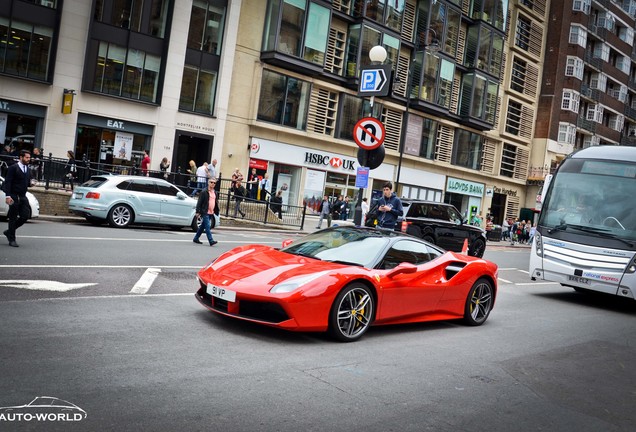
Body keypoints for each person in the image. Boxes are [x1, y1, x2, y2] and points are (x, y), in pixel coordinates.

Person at [3, 150, 32, 247]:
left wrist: (30, 183)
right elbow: (8, 182)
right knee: (12, 217)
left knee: (25, 216)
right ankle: (12, 239)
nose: (29, 159)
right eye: (27, 157)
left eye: (29, 157)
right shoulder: (13, 168)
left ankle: (9, 231)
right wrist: (8, 196)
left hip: (23, 196)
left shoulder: (27, 169)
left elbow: (26, 182)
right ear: (21, 157)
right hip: (14, 196)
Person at [193, 179, 219, 246]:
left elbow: (215, 202)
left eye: (214, 183)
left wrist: (216, 210)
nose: (213, 184)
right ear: (208, 183)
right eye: (211, 182)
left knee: (202, 226)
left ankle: (196, 238)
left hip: (211, 212)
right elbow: (199, 202)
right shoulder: (204, 192)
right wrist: (197, 211)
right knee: (207, 226)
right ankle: (211, 240)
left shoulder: (214, 192)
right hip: (205, 211)